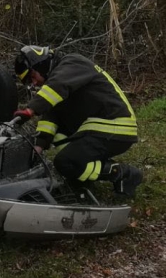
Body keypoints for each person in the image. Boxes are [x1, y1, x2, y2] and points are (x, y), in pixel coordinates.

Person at [12, 45, 144, 197]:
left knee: (65, 162)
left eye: (32, 77)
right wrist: (38, 147)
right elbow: (51, 117)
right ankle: (80, 177)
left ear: (40, 65)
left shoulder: (72, 62)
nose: (34, 83)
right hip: (100, 127)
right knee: (60, 139)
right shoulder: (61, 81)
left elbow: (58, 85)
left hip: (115, 125)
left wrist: (31, 110)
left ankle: (123, 173)